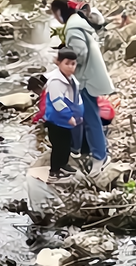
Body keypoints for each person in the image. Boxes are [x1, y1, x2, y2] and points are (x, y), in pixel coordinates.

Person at [51, 0, 114, 176]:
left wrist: (64, 63)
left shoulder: (72, 27)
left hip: (85, 79)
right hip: (88, 76)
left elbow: (80, 53)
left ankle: (100, 157)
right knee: (86, 117)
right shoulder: (79, 22)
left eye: (55, 13)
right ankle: (88, 151)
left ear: (61, 11)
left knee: (90, 119)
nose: (55, 17)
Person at [44, 48, 84, 182]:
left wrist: (79, 113)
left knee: (66, 144)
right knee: (58, 146)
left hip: (68, 119)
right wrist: (69, 117)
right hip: (56, 120)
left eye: (73, 64)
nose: (70, 67)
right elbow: (57, 102)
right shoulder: (55, 81)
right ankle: (53, 172)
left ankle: (63, 165)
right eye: (67, 63)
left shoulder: (71, 79)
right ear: (58, 62)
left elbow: (76, 98)